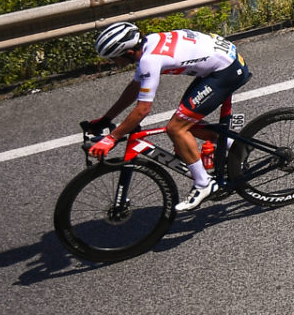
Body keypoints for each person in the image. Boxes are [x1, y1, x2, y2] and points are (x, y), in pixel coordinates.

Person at [85, 22, 252, 213]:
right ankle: (235, 146)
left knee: (176, 128)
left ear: (128, 53)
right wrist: (107, 118)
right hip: (222, 63)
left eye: (114, 59)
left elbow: (143, 110)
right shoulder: (148, 44)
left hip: (226, 70)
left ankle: (204, 184)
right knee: (187, 121)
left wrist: (111, 138)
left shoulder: (149, 59)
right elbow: (135, 88)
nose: (114, 63)